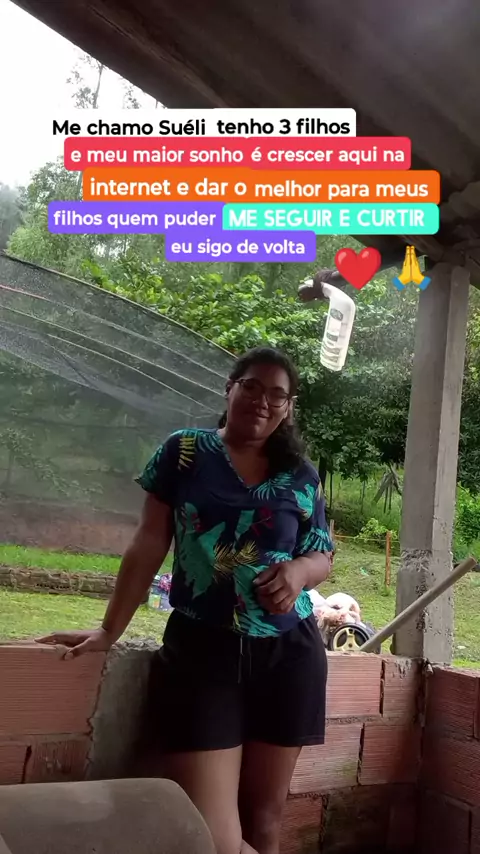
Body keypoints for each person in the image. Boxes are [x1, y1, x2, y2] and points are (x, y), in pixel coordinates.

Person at [37, 346, 333, 854]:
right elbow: (149, 542)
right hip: (202, 652)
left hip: (289, 653)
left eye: (277, 395)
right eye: (252, 386)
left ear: (289, 407)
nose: (263, 401)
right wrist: (109, 630)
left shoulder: (300, 474)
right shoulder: (185, 452)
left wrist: (299, 572)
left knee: (265, 821)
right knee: (213, 837)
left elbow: (321, 554)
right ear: (230, 388)